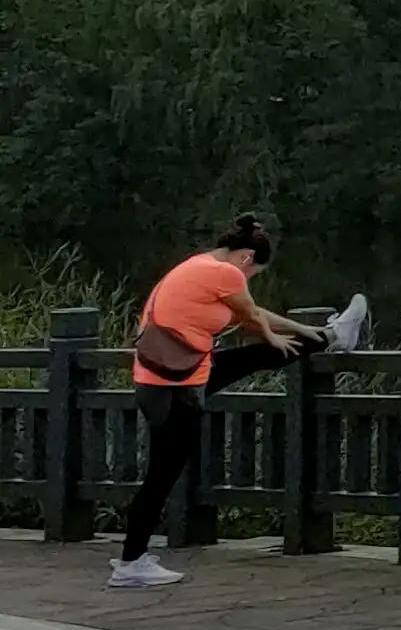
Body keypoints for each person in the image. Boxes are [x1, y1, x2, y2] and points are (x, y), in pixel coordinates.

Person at [107, 214, 363, 589]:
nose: (250, 280)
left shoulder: (197, 266)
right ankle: (131, 563)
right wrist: (279, 336)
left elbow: (254, 314)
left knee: (249, 360)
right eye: (254, 273)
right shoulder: (227, 275)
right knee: (160, 477)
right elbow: (252, 317)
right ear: (246, 259)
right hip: (177, 390)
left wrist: (302, 331)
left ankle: (332, 335)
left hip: (165, 380)